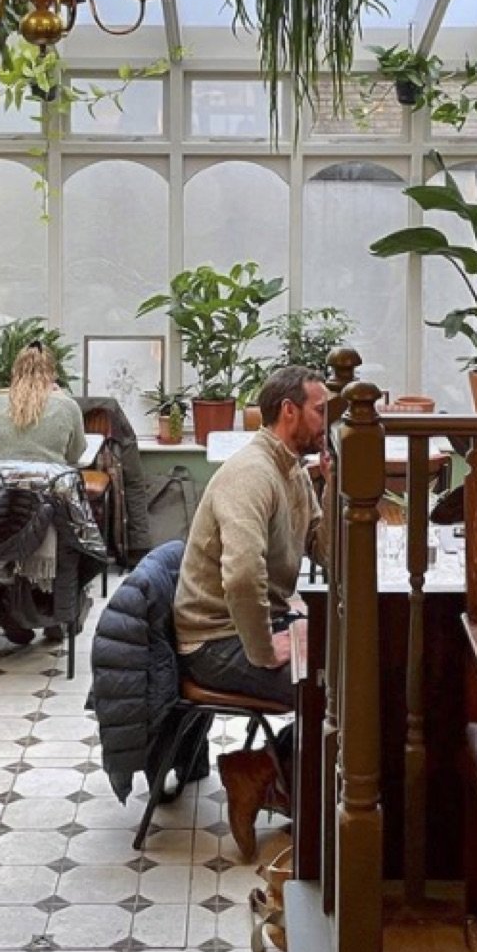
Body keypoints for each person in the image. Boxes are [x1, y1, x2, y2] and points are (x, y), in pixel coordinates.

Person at [174, 364, 328, 860]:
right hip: (217, 643)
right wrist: (263, 650)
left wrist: (339, 485)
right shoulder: (252, 474)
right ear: (289, 411)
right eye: (321, 411)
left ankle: (273, 775)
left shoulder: (292, 470)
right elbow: (241, 578)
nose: (329, 422)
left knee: (349, 674)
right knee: (334, 691)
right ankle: (265, 775)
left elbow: (323, 548)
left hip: (251, 626)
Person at [0, 342, 86, 468]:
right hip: (50, 484)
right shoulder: (67, 407)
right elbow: (74, 455)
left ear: (14, 372)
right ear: (53, 374)